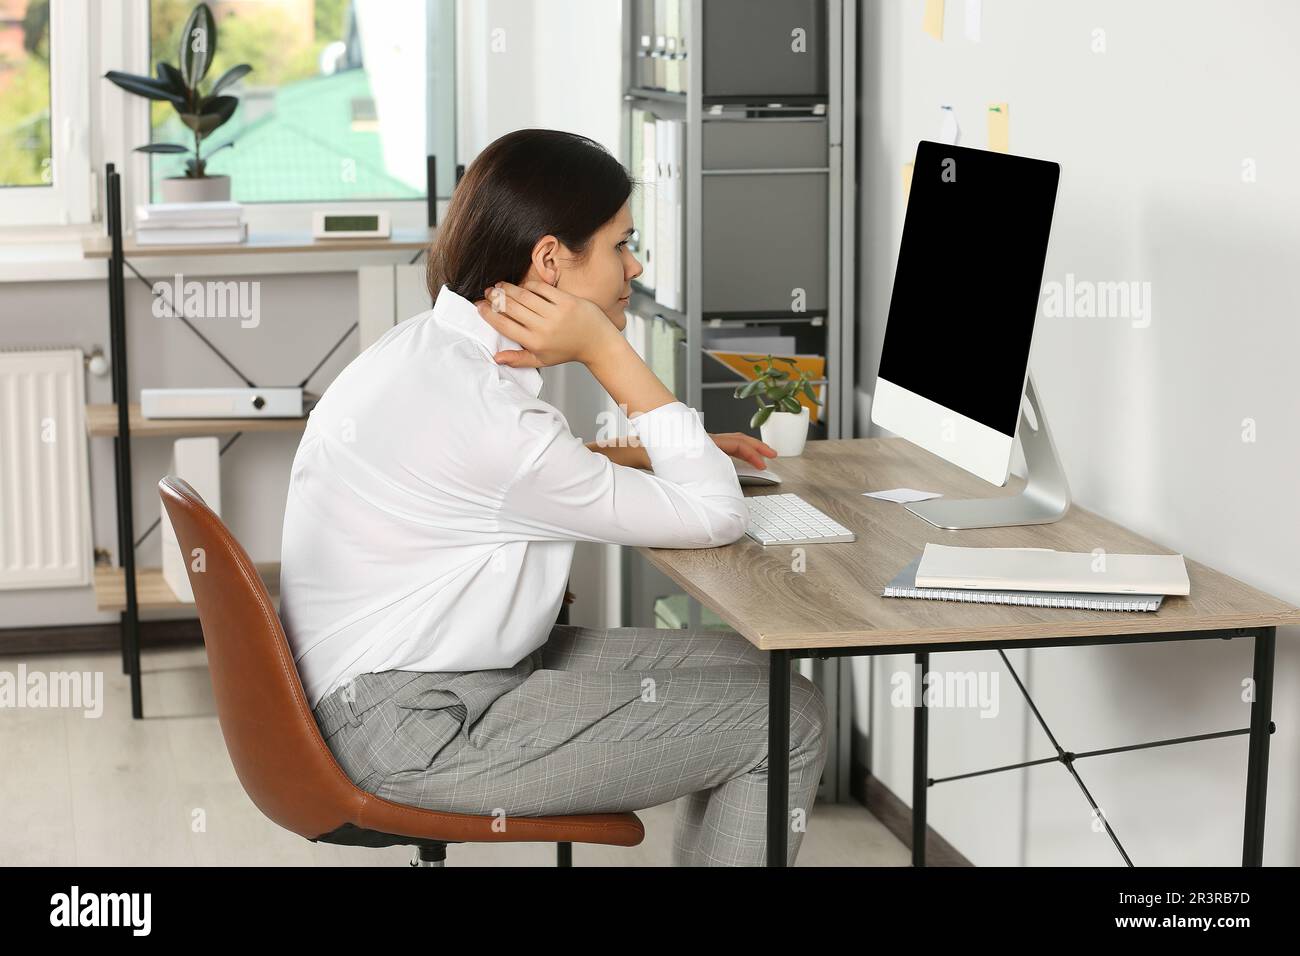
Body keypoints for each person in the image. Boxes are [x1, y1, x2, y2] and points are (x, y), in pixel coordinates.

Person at [279, 128, 828, 866]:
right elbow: (716, 516)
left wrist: (652, 452)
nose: (633, 267)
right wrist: (609, 350)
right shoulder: (497, 422)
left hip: (393, 690)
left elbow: (496, 483)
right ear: (549, 260)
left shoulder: (425, 351)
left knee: (756, 673)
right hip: (415, 727)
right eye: (620, 246)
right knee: (785, 717)